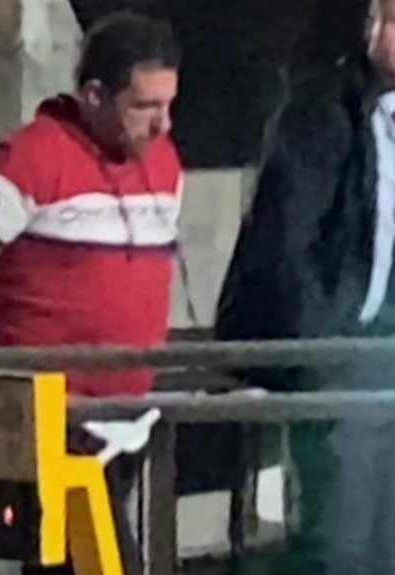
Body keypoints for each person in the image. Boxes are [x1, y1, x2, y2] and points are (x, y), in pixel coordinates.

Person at [0, 12, 183, 575]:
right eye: (144, 107)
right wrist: (13, 349)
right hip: (54, 423)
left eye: (168, 104)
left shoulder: (163, 163)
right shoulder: (31, 158)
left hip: (127, 421)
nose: (162, 124)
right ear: (92, 96)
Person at [215, 0, 395, 573]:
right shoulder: (322, 109)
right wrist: (319, 352)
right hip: (342, 362)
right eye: (390, 18)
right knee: (342, 542)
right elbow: (287, 239)